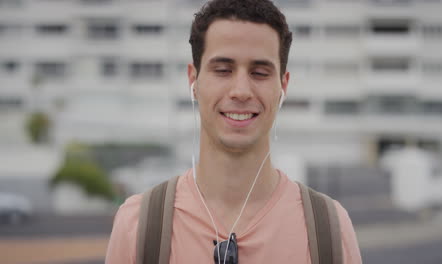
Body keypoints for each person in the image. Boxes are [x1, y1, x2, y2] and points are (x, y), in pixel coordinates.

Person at [105, 0, 362, 263]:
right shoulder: (139, 226)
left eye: (260, 72)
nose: (240, 91)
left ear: (283, 85)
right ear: (193, 80)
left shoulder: (329, 230)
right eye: (223, 70)